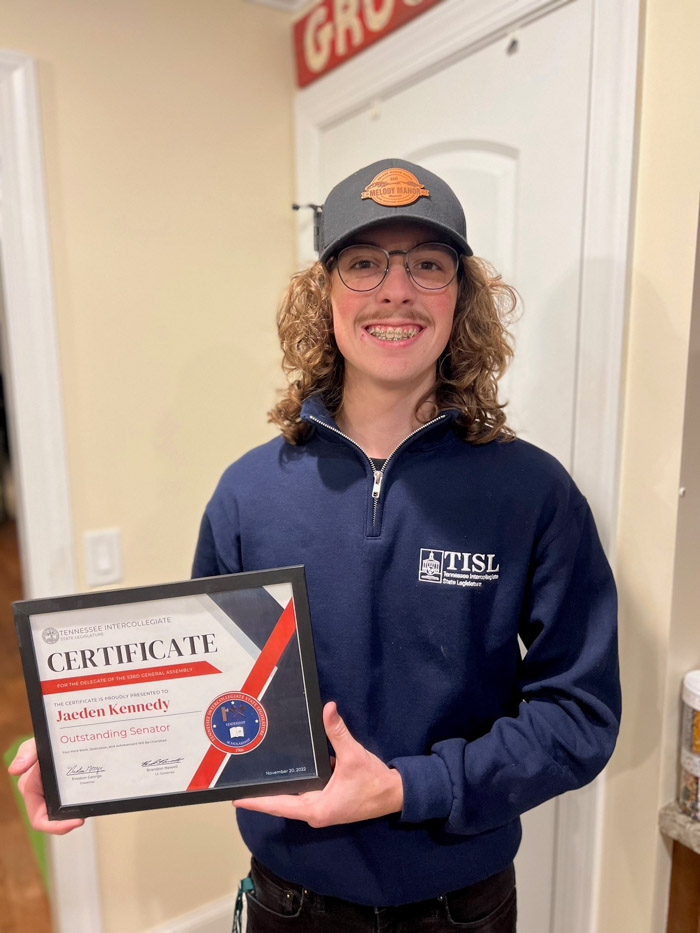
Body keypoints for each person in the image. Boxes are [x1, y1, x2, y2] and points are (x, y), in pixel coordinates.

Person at [10, 159, 621, 932]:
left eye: (427, 265)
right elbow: (207, 687)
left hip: (459, 904)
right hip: (288, 899)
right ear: (324, 294)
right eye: (364, 263)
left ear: (460, 298)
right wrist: (82, 743)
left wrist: (407, 786)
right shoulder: (248, 491)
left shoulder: (534, 492)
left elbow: (580, 716)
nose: (395, 289)